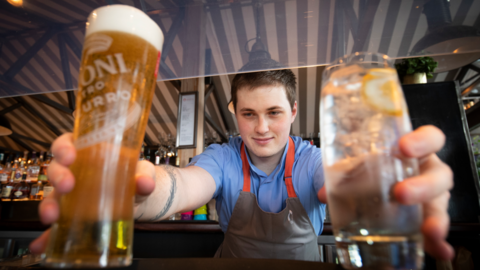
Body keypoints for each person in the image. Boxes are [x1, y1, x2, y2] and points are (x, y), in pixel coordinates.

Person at [30, 69, 454, 261]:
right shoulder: (224, 157)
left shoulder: (311, 161)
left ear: (292, 111)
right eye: (248, 114)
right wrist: (133, 192)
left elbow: (346, 179)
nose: (262, 128)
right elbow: (182, 185)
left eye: (273, 112)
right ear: (235, 113)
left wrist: (388, 185)